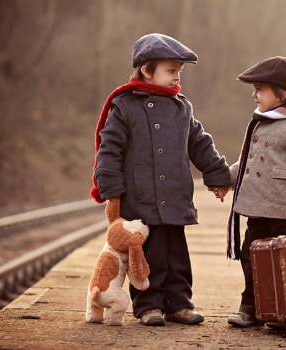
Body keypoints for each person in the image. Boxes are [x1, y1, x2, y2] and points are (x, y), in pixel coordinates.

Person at [91, 33, 232, 326]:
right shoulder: (125, 106)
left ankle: (179, 303)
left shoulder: (181, 106)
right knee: (146, 256)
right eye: (171, 71)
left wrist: (217, 174)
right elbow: (110, 146)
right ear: (146, 69)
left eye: (179, 72)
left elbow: (199, 143)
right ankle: (148, 305)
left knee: (177, 256)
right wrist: (111, 188)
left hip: (175, 195)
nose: (176, 78)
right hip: (140, 198)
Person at [219, 56, 286, 330]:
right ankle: (251, 308)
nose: (254, 95)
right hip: (257, 208)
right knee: (250, 255)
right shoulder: (262, 123)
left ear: (282, 93)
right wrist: (226, 180)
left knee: (282, 263)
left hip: (283, 211)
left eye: (260, 89)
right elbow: (248, 159)